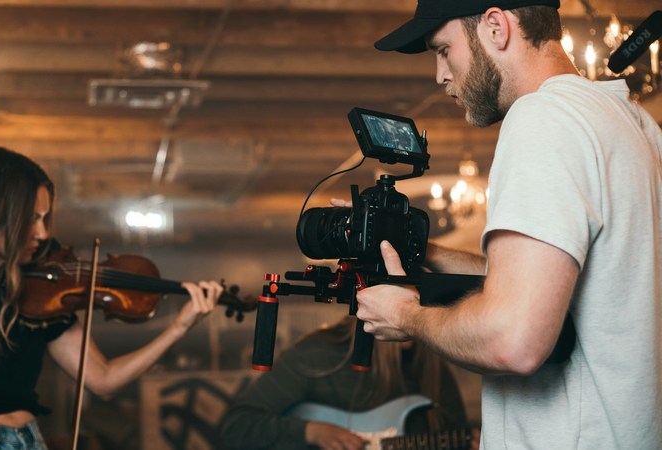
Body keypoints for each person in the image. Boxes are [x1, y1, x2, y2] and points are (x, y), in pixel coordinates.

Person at [353, 1, 662, 449]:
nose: (440, 75)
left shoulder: (542, 118)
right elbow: (557, 286)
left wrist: (405, 315)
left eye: (444, 50)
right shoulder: (635, 124)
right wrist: (425, 252)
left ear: (496, 27)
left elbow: (514, 339)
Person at [0, 146, 225, 450]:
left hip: (30, 441)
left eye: (44, 218)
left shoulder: (42, 292)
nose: (43, 233)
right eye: (31, 218)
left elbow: (103, 379)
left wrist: (178, 328)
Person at [220, 316, 474, 450]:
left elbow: (455, 435)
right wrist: (311, 432)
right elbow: (236, 426)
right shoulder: (317, 355)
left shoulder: (433, 369)